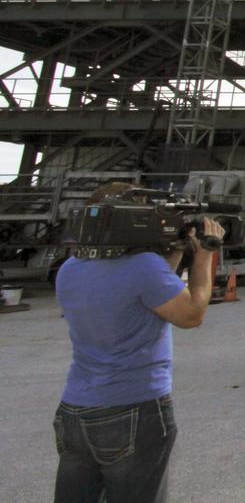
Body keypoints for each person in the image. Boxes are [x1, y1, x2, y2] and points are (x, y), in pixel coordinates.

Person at [54, 214, 225, 502]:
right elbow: (192, 314)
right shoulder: (143, 267)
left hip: (74, 411)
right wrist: (204, 256)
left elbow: (147, 289)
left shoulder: (71, 267)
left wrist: (178, 249)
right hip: (133, 408)